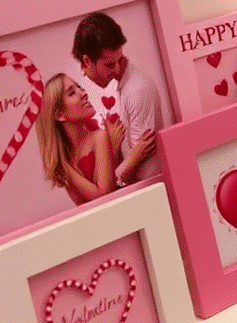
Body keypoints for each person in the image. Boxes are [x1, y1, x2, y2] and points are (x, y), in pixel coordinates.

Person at [71, 12, 171, 183]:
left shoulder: (137, 91)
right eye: (109, 64)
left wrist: (117, 173)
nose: (117, 69)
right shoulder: (128, 87)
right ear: (87, 61)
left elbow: (146, 171)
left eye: (119, 60)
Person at [35, 74, 152, 205]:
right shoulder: (67, 161)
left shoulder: (99, 137)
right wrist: (112, 152)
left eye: (79, 87)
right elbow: (86, 205)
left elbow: (103, 195)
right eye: (72, 93)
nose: (83, 93)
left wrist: (65, 168)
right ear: (59, 114)